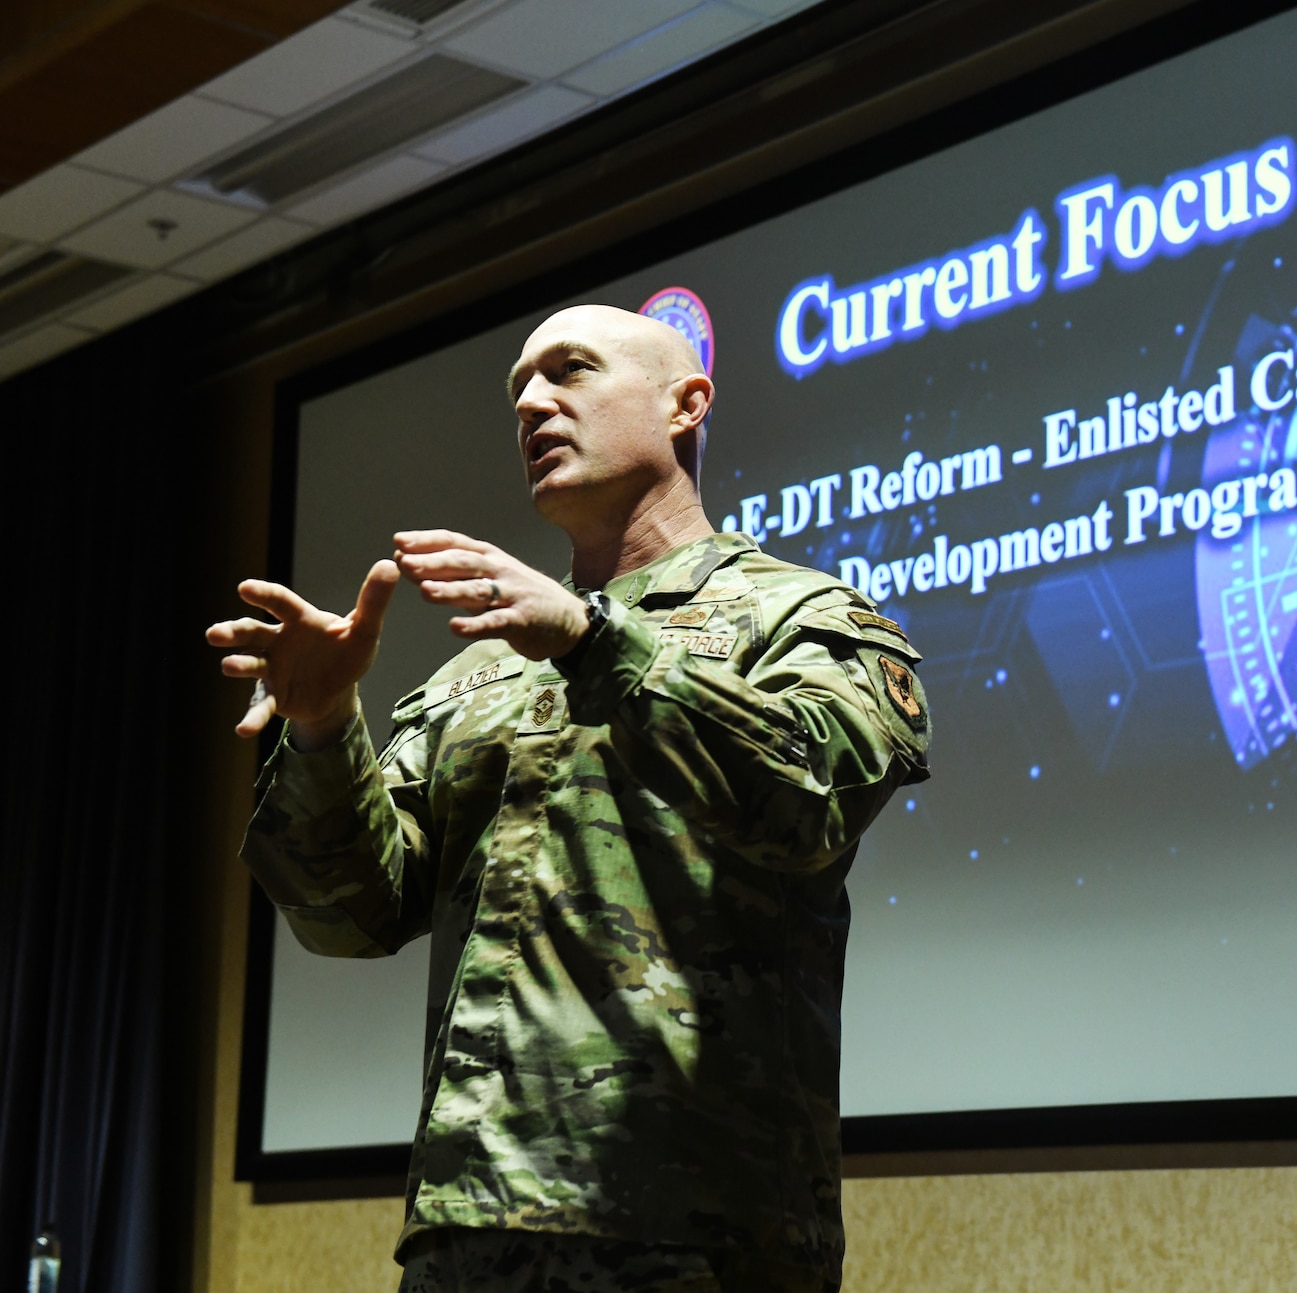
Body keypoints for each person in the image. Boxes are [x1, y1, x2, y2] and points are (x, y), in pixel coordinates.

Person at [207, 305, 930, 1292]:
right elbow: (352, 916)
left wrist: (598, 644)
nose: (533, 403)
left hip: (699, 1235)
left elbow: (808, 799)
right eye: (518, 388)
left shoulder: (801, 618)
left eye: (570, 371)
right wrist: (325, 726)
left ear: (686, 404)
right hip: (469, 1229)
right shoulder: (483, 672)